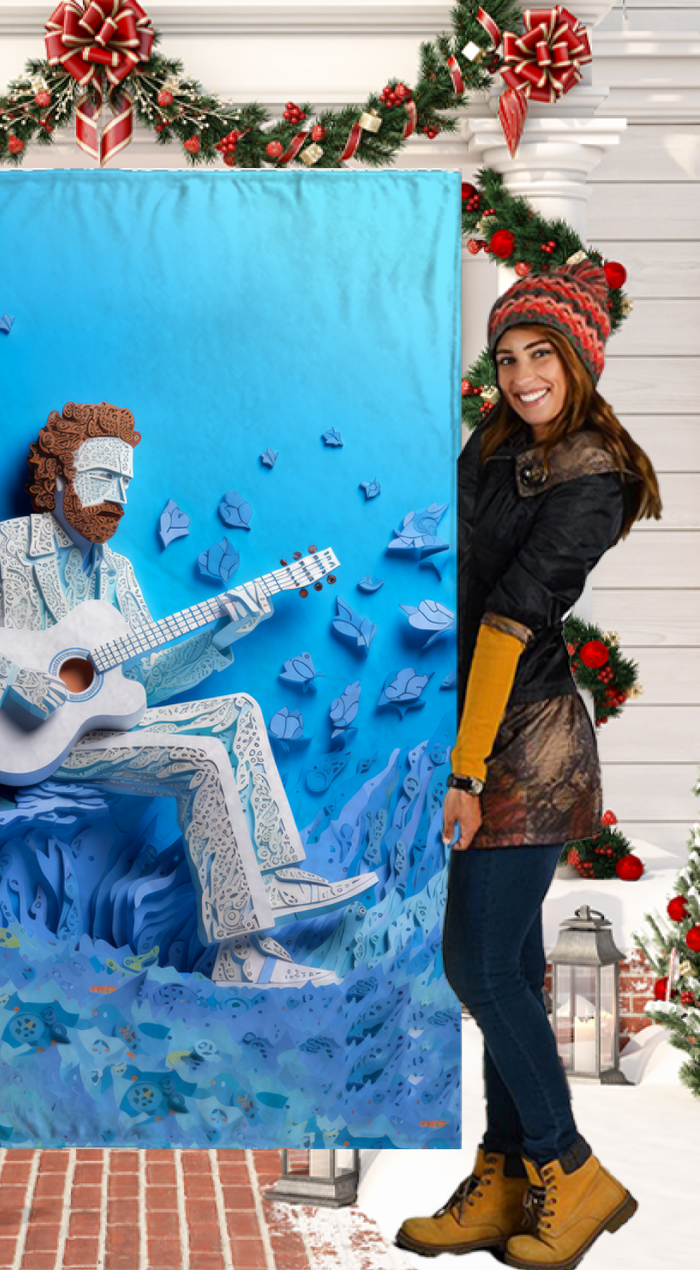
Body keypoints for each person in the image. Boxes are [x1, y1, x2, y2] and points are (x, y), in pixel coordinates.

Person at [0, 400, 377, 986]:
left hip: (96, 732)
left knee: (240, 709)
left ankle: (275, 876)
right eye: (103, 478)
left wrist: (226, 630)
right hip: (24, 741)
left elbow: (145, 679)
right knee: (202, 759)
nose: (119, 498)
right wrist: (12, 680)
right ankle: (242, 957)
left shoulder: (118, 573)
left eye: (125, 483)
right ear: (57, 477)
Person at [396, 261, 661, 1269]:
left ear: (579, 360)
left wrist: (465, 773)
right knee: (502, 964)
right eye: (507, 357)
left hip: (531, 743)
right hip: (476, 721)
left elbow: (511, 617)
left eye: (539, 354)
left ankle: (570, 1166)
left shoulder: (594, 474)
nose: (519, 374)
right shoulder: (497, 448)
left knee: (474, 962)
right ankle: (506, 1177)